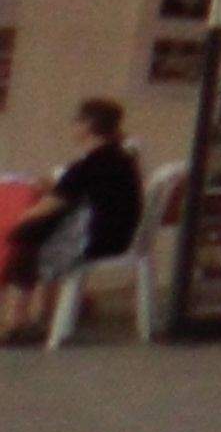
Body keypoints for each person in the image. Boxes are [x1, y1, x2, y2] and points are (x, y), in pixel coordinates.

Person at [1, 97, 140, 341]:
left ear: (88, 125)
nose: (72, 126)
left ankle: (17, 322)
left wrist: (21, 219)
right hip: (118, 235)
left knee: (25, 235)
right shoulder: (120, 158)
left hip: (94, 239)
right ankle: (39, 316)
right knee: (36, 232)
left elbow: (49, 206)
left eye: (76, 121)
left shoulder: (87, 165)